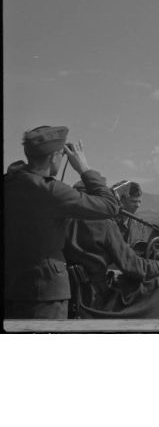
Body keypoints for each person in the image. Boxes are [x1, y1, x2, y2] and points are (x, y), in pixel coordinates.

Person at [4, 126, 120, 319]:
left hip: (11, 289)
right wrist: (84, 168)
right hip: (46, 295)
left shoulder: (10, 183)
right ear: (53, 157)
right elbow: (110, 206)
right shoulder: (52, 192)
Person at [113, 181, 152, 248]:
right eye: (133, 201)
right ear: (121, 200)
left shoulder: (141, 227)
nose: (138, 205)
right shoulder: (109, 222)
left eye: (139, 201)